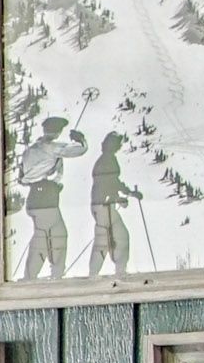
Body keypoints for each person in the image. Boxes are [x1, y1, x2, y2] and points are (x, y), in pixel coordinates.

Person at [15, 115, 85, 281]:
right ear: (57, 131)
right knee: (57, 235)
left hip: (34, 198)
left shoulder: (30, 150)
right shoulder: (52, 147)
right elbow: (80, 150)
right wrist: (81, 140)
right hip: (47, 200)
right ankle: (54, 274)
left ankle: (31, 276)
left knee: (42, 235)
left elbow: (22, 178)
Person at [88, 131, 141, 278]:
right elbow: (111, 183)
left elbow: (109, 183)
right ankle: (120, 270)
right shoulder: (108, 161)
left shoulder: (103, 160)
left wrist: (123, 195)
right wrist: (123, 196)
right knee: (120, 236)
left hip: (99, 204)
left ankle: (94, 272)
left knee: (103, 239)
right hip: (105, 204)